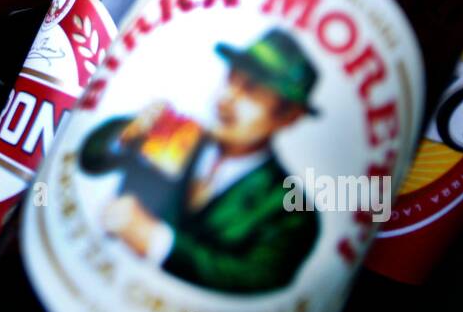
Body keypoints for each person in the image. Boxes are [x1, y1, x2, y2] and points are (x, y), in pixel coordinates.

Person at [79, 29, 321, 293]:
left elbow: (257, 277)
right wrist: (127, 134)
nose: (226, 98)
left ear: (288, 116)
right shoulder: (176, 135)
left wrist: (157, 242)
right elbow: (92, 158)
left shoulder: (290, 209)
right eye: (231, 80)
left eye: (250, 90)